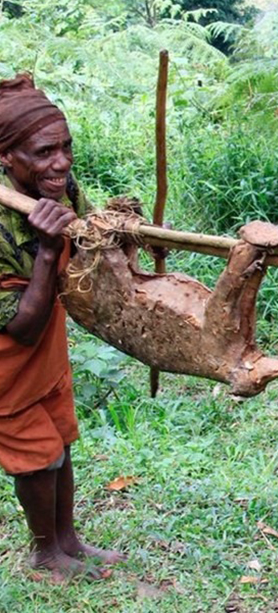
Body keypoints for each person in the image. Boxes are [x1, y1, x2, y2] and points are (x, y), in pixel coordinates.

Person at [0, 73, 123, 579]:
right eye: (46, 152)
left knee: (60, 439)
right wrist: (49, 250)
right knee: (37, 455)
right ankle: (44, 554)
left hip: (46, 347)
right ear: (6, 157)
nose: (62, 163)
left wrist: (121, 233)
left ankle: (68, 539)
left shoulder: (60, 187)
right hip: (9, 360)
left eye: (67, 148)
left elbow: (92, 239)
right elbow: (20, 327)